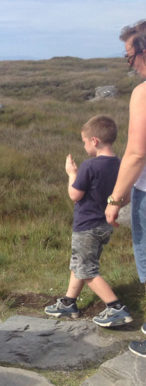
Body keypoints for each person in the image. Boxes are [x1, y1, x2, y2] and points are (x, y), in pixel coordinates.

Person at [45, 115, 132, 327]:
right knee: (79, 263)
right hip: (105, 225)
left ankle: (116, 308)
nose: (84, 146)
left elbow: (75, 195)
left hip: (86, 226)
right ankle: (68, 303)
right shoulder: (121, 164)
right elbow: (126, 197)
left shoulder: (89, 166)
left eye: (84, 142)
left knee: (87, 269)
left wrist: (71, 174)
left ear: (94, 141)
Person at [106, 23, 146, 358]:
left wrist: (115, 198)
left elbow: (135, 153)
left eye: (130, 56)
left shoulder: (144, 93)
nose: (130, 64)